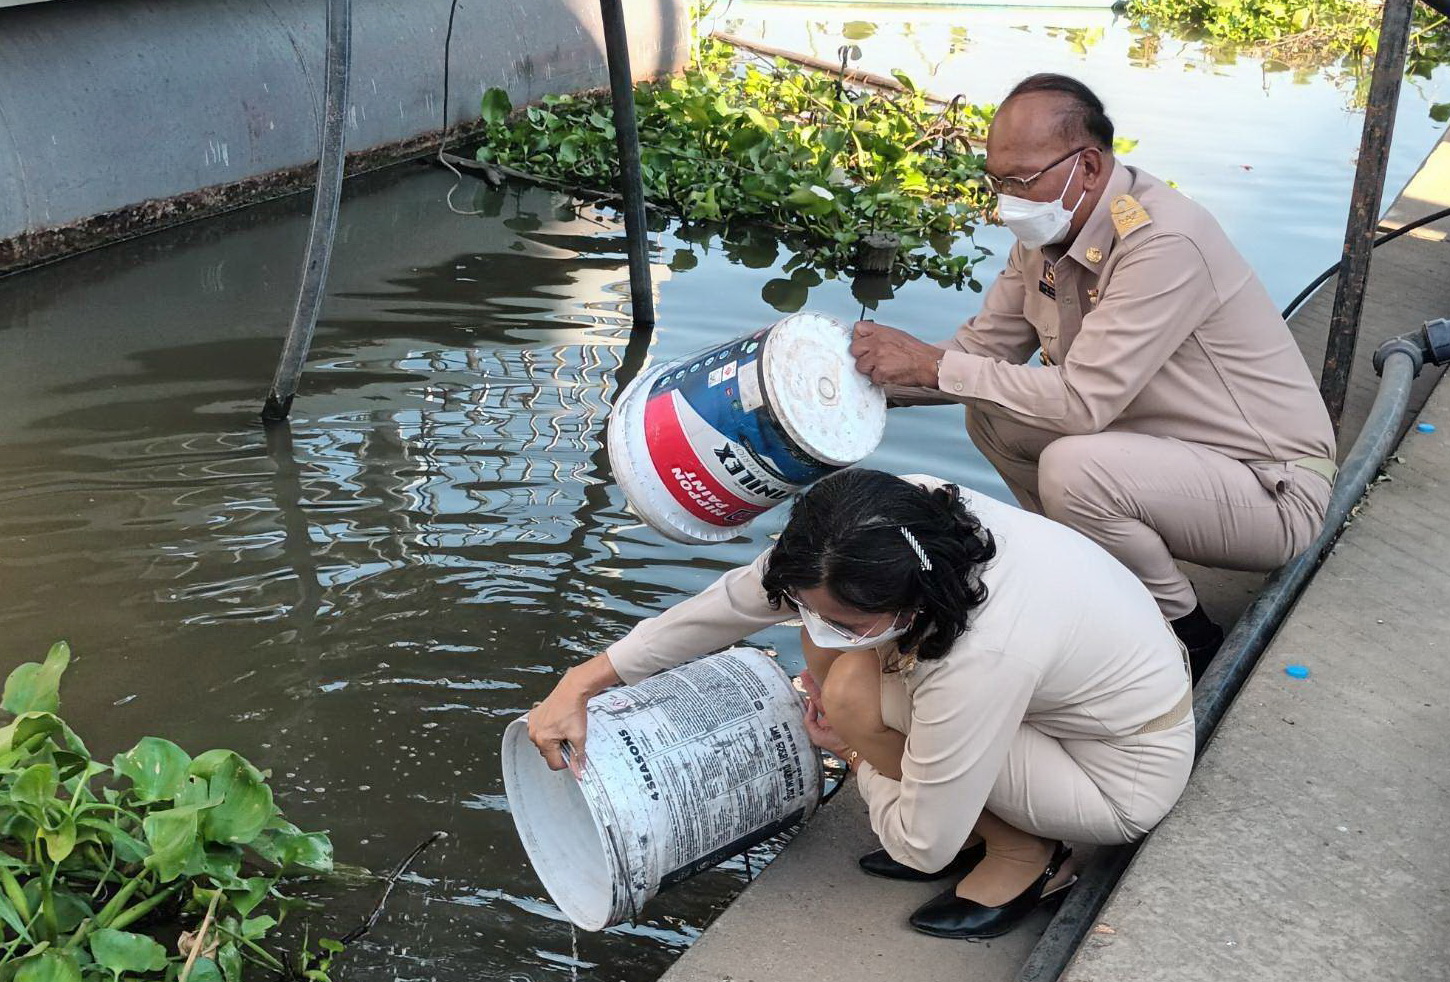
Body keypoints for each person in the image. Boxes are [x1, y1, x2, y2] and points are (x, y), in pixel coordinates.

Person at [527, 469, 1194, 940]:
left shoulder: (986, 651)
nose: (816, 628)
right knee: (848, 675)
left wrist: (849, 742)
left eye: (845, 618)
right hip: (1055, 702)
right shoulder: (892, 522)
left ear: (910, 599)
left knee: (850, 694)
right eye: (807, 609)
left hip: (1112, 771)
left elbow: (918, 847)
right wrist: (579, 683)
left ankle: (1027, 856)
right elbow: (733, 604)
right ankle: (964, 804)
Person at [848, 73, 1336, 679]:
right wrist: (845, 384)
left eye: (1023, 181)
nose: (1008, 201)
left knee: (1073, 469)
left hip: (1269, 488)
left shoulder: (1163, 242)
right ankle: (1090, 582)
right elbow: (983, 349)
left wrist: (930, 362)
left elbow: (1080, 405)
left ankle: (1188, 635)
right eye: (997, 181)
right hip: (1163, 461)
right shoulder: (1046, 231)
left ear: (1089, 166)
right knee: (993, 415)